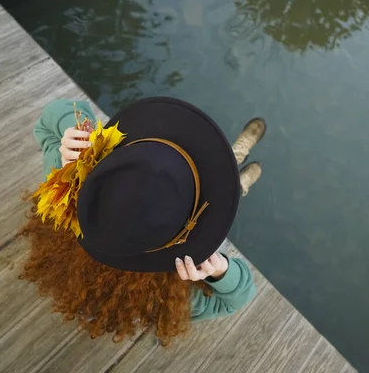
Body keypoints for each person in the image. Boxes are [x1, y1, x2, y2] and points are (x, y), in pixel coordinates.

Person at [18, 97, 266, 345]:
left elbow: (50, 119)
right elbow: (238, 298)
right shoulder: (166, 294)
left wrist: (70, 139)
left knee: (220, 193)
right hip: (197, 214)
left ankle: (236, 172)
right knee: (223, 189)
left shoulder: (58, 204)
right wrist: (219, 271)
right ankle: (237, 176)